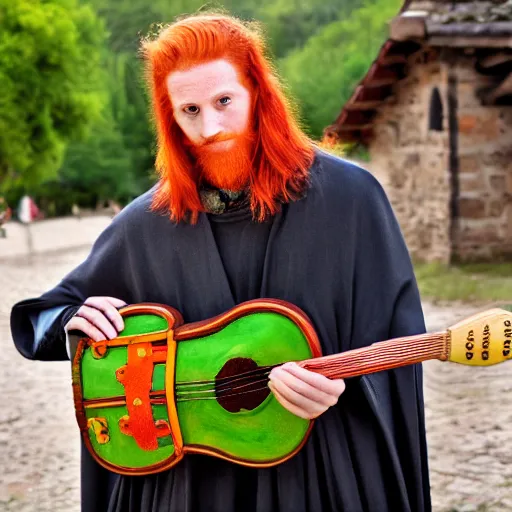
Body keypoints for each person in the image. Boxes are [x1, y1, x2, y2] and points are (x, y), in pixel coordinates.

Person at [10, 13, 431, 512]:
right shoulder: (145, 225)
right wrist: (70, 321)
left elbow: (399, 340)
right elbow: (43, 316)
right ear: (170, 117)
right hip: (189, 488)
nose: (209, 127)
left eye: (224, 102)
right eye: (189, 110)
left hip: (323, 473)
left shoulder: (351, 200)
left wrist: (347, 382)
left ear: (257, 91)